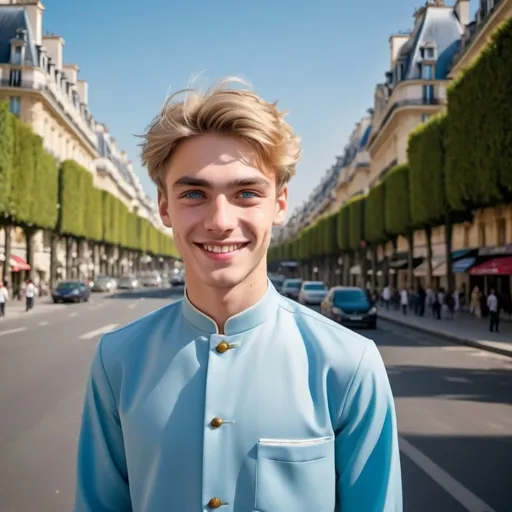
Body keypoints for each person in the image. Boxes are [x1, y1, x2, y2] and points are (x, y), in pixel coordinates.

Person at [73, 78, 402, 512]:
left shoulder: (349, 365)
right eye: (195, 193)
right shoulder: (115, 362)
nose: (220, 220)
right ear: (164, 207)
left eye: (246, 193)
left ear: (279, 205)